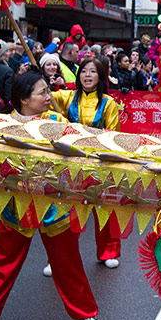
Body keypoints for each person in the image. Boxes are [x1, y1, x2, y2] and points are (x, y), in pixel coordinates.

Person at [0, 70, 99, 320]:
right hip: (16, 207)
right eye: (43, 93)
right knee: (2, 267)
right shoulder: (1, 125)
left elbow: (80, 150)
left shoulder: (56, 120)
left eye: (48, 91)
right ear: (24, 99)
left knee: (68, 264)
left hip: (56, 205)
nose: (49, 97)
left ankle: (85, 315)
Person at [49, 59, 121, 274]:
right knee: (65, 210)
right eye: (84, 71)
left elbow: (114, 136)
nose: (87, 75)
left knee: (104, 209)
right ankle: (57, 256)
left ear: (100, 77)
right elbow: (44, 100)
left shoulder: (109, 103)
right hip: (69, 163)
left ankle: (109, 252)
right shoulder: (67, 96)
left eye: (93, 71)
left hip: (99, 163)